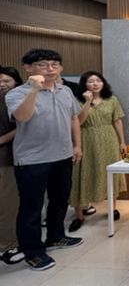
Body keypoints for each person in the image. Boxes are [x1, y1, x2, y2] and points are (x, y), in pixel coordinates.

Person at [5, 49, 83, 271]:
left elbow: (74, 118)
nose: (50, 69)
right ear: (28, 68)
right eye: (42, 64)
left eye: (54, 64)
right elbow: (22, 116)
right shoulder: (17, 93)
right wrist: (34, 90)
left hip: (63, 155)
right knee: (32, 207)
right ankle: (32, 252)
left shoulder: (65, 91)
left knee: (60, 200)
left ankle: (56, 236)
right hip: (32, 160)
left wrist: (77, 145)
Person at [68, 71, 126, 232]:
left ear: (103, 83)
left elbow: (117, 121)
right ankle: (79, 215)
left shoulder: (112, 99)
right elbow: (79, 121)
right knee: (81, 173)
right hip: (85, 139)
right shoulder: (77, 100)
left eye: (98, 80)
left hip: (108, 139)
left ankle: (112, 208)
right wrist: (88, 102)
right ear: (84, 84)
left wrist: (122, 141)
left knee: (110, 172)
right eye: (90, 81)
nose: (95, 84)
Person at [0, 66, 24, 265]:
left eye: (6, 80)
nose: (2, 84)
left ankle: (8, 245)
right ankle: (7, 245)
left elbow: (22, 125)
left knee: (8, 204)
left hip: (8, 157)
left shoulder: (17, 100)